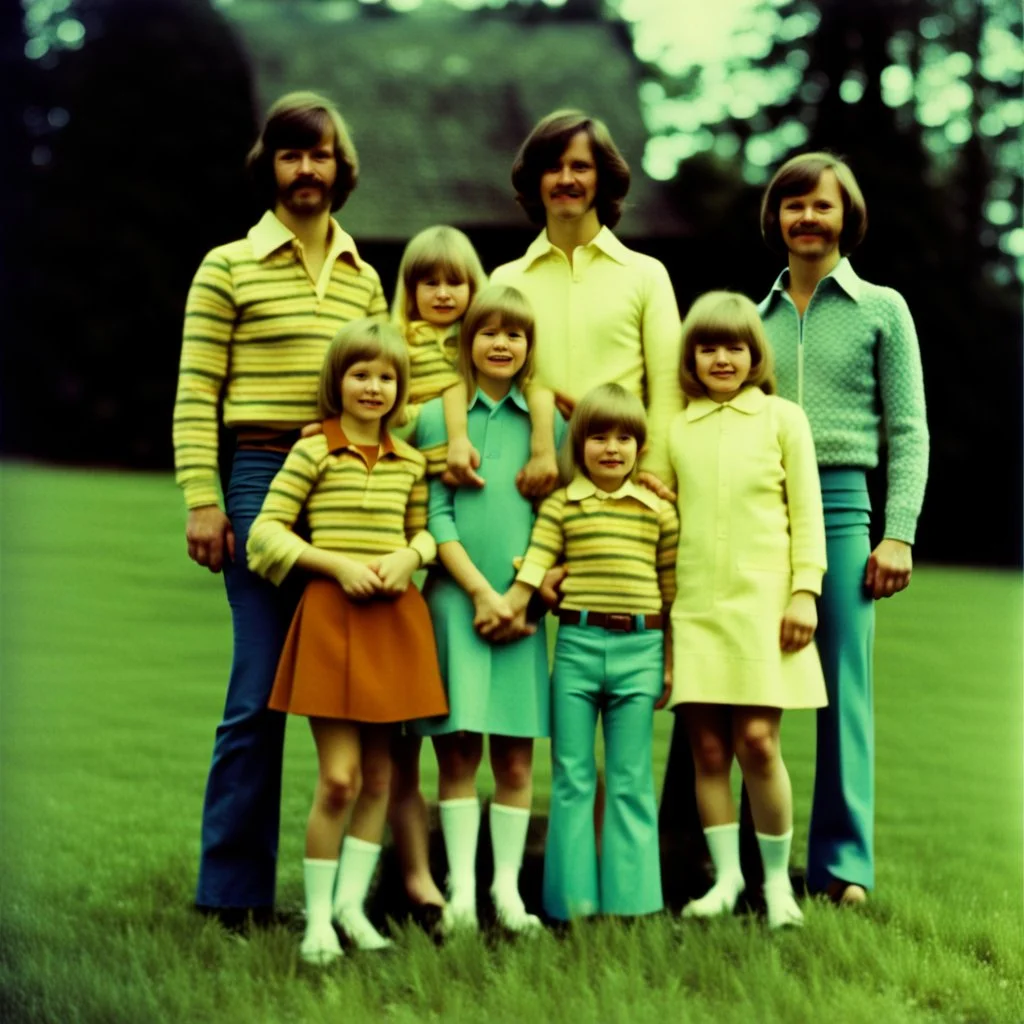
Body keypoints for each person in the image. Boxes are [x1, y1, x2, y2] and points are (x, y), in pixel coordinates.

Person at [171, 91, 388, 928]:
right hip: (258, 476)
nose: (307, 169)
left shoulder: (366, 276)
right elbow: (196, 394)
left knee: (359, 696)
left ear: (341, 168)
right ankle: (232, 895)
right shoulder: (227, 265)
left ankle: (362, 896)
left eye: (321, 154)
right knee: (258, 692)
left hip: (346, 488)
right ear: (272, 165)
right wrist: (204, 499)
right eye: (292, 154)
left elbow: (385, 391)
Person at [756, 152, 929, 906]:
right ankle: (717, 855)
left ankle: (843, 868)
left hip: (845, 506)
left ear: (845, 216)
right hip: (758, 511)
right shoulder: (747, 316)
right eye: (793, 205)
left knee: (844, 690)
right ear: (777, 217)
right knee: (735, 687)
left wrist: (899, 531)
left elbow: (911, 430)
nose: (807, 218)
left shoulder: (882, 308)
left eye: (821, 205)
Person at [246, 319, 447, 963]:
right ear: (338, 381)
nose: (373, 386)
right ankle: (315, 924)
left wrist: (411, 555)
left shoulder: (411, 460)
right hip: (332, 619)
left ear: (400, 388)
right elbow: (266, 534)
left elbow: (428, 533)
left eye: (386, 377)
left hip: (394, 620)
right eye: (361, 374)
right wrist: (336, 565)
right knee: (339, 779)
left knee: (381, 777)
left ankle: (351, 911)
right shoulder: (313, 452)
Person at [667, 291, 827, 929]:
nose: (722, 358)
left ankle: (775, 887)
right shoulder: (678, 427)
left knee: (758, 742)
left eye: (735, 346)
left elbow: (806, 512)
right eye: (708, 347)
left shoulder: (784, 419)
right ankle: (726, 880)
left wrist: (804, 591)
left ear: (754, 353)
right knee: (707, 751)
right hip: (695, 602)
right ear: (693, 357)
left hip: (766, 603)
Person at [411, 285, 564, 934]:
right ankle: (463, 893)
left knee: (516, 759)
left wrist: (521, 592)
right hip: (455, 606)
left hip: (522, 613)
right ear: (466, 341)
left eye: (515, 335)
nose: (501, 344)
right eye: (488, 332)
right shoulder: (431, 420)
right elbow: (435, 515)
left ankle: (507, 891)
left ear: (529, 348)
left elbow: (555, 513)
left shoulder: (547, 426)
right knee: (457, 754)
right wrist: (478, 592)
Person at [505, 383, 678, 921]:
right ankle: (570, 903)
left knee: (629, 777)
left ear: (640, 446)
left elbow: (673, 594)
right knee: (572, 775)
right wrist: (516, 597)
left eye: (624, 438)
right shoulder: (562, 505)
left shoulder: (659, 512)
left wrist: (670, 662)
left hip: (642, 650)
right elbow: (535, 561)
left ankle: (633, 903)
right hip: (577, 649)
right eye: (599, 436)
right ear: (578, 444)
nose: (611, 448)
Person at [391, 225, 558, 495]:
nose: (443, 293)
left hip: (478, 455)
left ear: (472, 287)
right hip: (412, 458)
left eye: (454, 283)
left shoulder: (484, 342)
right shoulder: (397, 341)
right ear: (411, 290)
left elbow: (529, 385)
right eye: (431, 283)